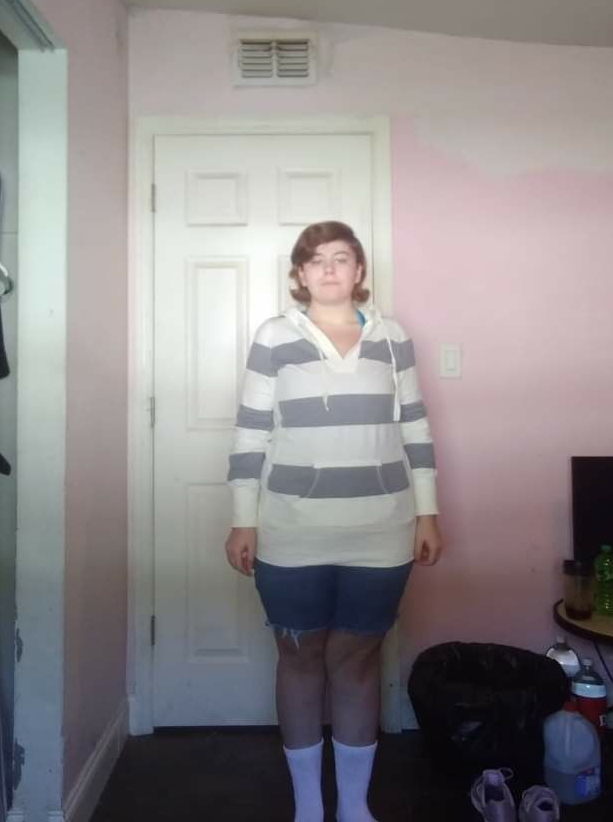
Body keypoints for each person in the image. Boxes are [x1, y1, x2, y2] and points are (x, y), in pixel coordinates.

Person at [225, 220, 442, 822]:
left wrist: (428, 512)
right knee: (299, 659)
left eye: (341, 258)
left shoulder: (393, 338)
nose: (328, 269)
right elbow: (251, 430)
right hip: (291, 532)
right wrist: (243, 520)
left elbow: (415, 425)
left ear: (359, 270)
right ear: (300, 274)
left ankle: (352, 806)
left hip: (383, 532)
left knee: (357, 660)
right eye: (315, 259)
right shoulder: (275, 337)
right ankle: (308, 806)